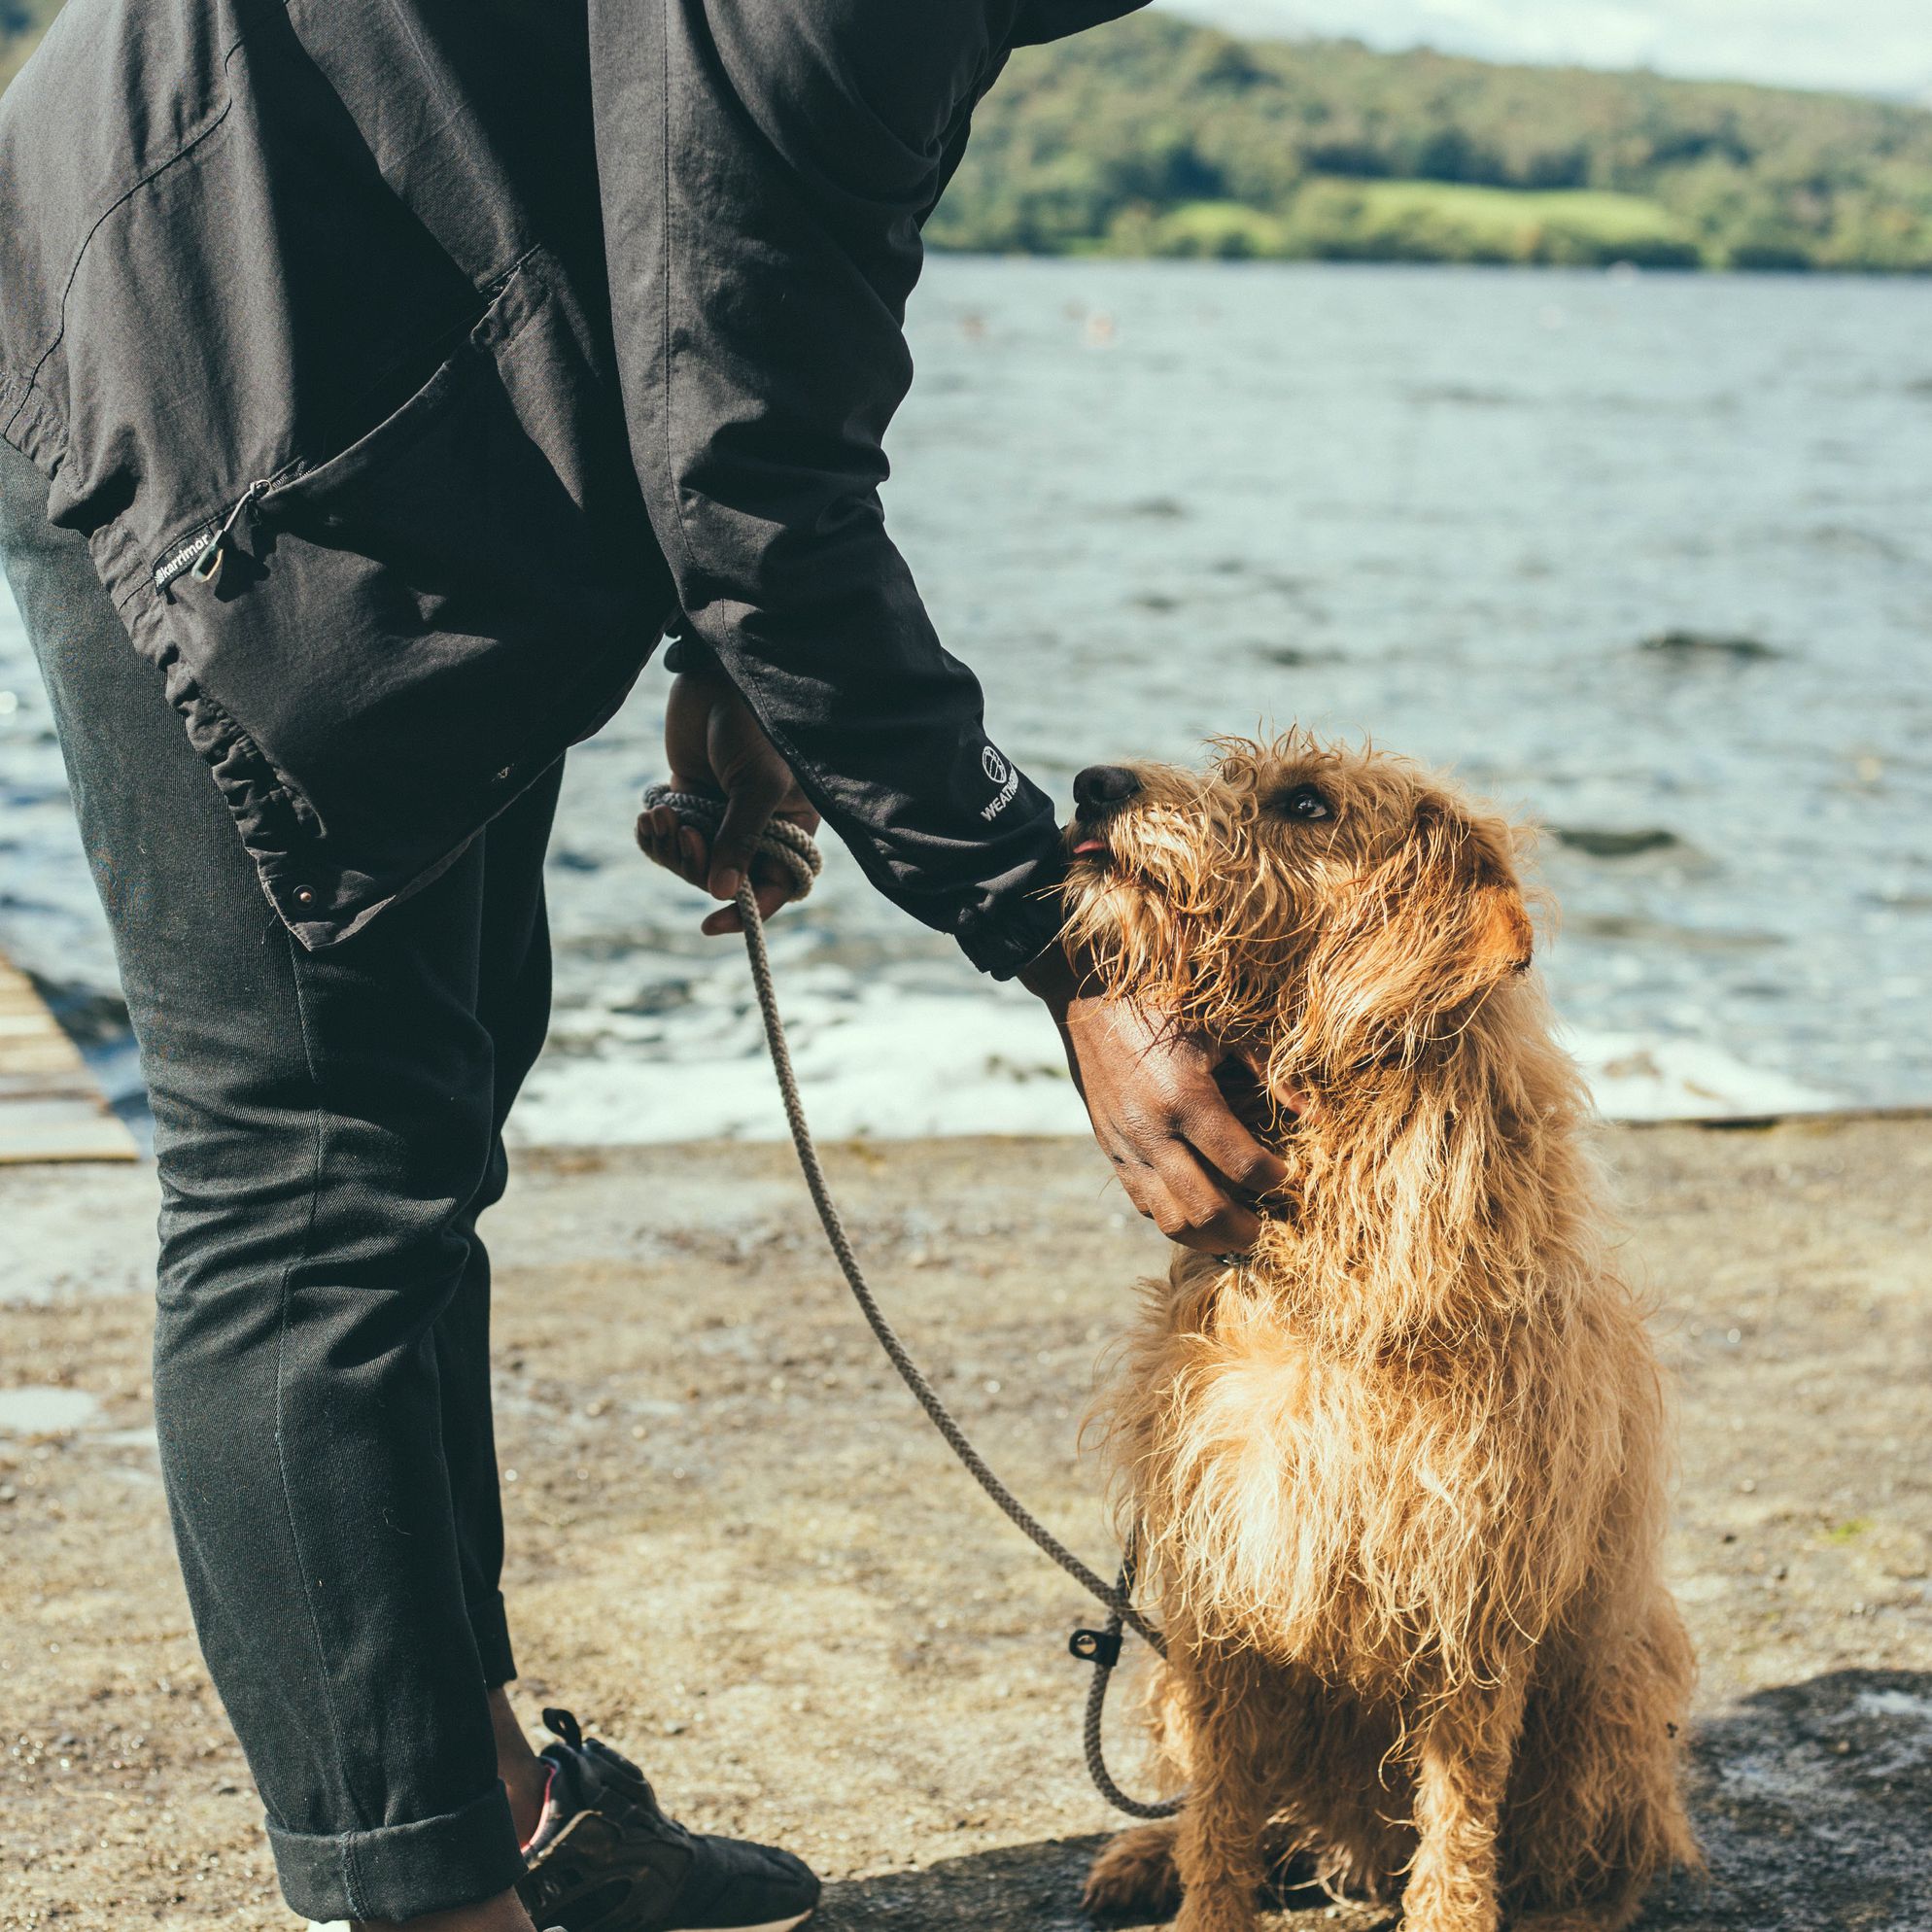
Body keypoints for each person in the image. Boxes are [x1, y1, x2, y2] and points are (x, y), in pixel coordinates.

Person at [0, 4, 1286, 1929]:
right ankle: (428, 1894)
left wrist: (733, 664)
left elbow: (739, 300)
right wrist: (1058, 939)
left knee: (420, 1131)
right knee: (311, 1186)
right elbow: (752, 474)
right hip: (209, 351)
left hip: (390, 348)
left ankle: (500, 1804)